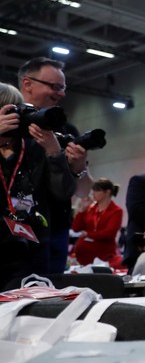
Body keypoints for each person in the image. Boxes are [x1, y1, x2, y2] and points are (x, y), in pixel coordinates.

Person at [18, 57, 91, 273]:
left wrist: (79, 167)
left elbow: (84, 190)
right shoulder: (9, 124)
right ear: (27, 84)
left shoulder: (66, 130)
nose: (61, 93)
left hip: (55, 232)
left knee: (51, 299)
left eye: (63, 88)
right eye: (54, 86)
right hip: (13, 231)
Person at [0, 83, 75, 288]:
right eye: (8, 111)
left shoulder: (35, 147)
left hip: (32, 250)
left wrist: (54, 152)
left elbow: (63, 192)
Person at [70, 178, 123, 265]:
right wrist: (81, 211)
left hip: (103, 255)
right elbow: (76, 228)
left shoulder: (116, 211)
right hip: (83, 257)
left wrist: (88, 234)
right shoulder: (91, 209)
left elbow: (109, 233)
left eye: (97, 190)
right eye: (93, 190)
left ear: (107, 192)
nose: (92, 193)